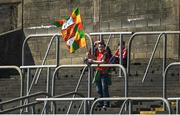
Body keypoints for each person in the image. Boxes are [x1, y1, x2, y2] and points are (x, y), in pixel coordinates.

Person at [88, 41, 112, 108]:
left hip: (105, 72)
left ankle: (106, 102)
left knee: (104, 88)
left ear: (104, 47)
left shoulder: (105, 53)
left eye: (101, 47)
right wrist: (94, 44)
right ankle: (101, 102)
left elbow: (103, 61)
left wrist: (93, 61)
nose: (100, 48)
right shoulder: (97, 52)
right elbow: (90, 52)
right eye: (99, 47)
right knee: (98, 89)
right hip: (98, 72)